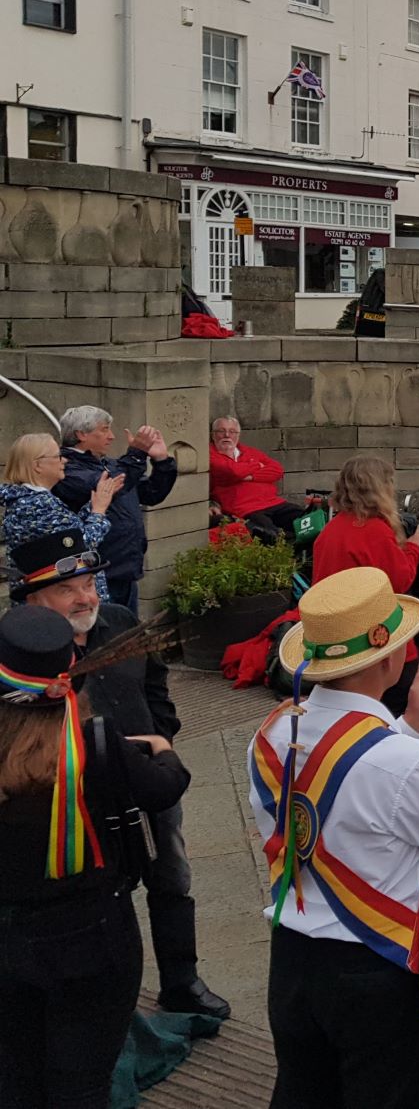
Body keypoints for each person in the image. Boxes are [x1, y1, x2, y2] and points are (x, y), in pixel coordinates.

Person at [252, 567, 419, 1109]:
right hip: (376, 969)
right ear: (392, 661)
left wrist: (412, 725)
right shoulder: (399, 760)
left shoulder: (274, 731)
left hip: (292, 959)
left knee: (301, 1094)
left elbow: (347, 779)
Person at [11, 529, 229, 1021]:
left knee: (172, 878)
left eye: (89, 583)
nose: (86, 597)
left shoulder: (120, 620)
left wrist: (161, 738)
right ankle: (107, 1000)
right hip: (76, 801)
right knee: (104, 897)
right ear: (32, 600)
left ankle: (181, 982)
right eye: (68, 589)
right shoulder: (24, 655)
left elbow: (155, 684)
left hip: (147, 779)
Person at [0, 604, 191, 1109]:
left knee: (16, 1076)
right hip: (96, 936)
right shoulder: (98, 745)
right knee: (82, 1083)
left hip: (9, 937)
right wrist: (161, 747)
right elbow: (168, 787)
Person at [312, 457, 419, 716]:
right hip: (375, 643)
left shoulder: (330, 531)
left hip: (339, 642)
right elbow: (401, 579)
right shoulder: (374, 531)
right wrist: (413, 548)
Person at [53, 405, 177, 611]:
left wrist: (161, 461)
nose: (111, 437)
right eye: (104, 430)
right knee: (104, 636)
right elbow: (108, 485)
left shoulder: (111, 464)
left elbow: (151, 494)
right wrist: (137, 454)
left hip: (125, 567)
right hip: (95, 574)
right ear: (81, 434)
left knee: (127, 632)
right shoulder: (66, 469)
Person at [3, 432, 119, 602]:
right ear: (37, 465)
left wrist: (95, 504)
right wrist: (99, 511)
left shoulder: (32, 500)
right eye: (58, 456)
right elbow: (80, 545)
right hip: (61, 602)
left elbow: (68, 532)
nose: (64, 461)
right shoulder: (36, 505)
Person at [207, 417, 305, 539]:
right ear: (213, 434)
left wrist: (249, 476)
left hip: (274, 502)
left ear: (238, 435)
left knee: (306, 520)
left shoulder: (249, 451)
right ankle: (291, 550)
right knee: (271, 534)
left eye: (232, 431)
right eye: (221, 431)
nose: (227, 435)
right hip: (244, 509)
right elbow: (233, 472)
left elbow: (277, 470)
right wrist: (257, 465)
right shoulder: (209, 454)